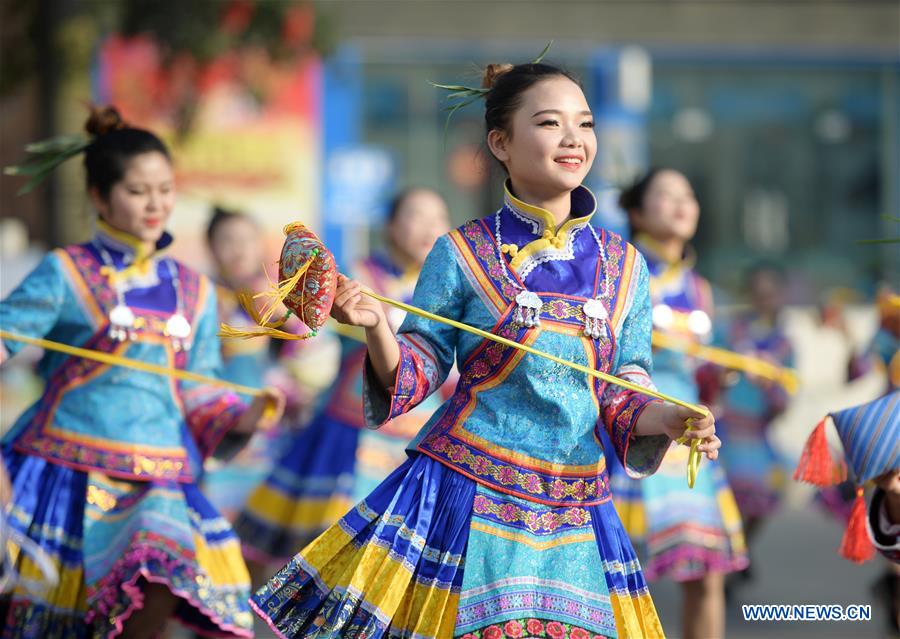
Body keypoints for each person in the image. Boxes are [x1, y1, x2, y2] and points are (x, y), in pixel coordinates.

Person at [250, 61, 721, 638]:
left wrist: (673, 416)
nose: (573, 139)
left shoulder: (626, 268)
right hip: (468, 493)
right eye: (550, 123)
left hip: (576, 504)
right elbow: (416, 373)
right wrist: (377, 328)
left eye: (585, 123)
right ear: (501, 142)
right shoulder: (460, 252)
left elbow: (625, 391)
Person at [0, 106, 284, 639]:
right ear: (100, 197)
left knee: (158, 586)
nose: (155, 204)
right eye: (137, 191)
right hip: (64, 467)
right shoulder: (66, 271)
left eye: (164, 189)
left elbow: (199, 388)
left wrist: (249, 413)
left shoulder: (193, 289)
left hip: (160, 476)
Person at [235, 188, 452, 568]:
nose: (430, 228)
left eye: (439, 218)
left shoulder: (447, 292)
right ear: (390, 225)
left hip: (419, 441)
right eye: (417, 216)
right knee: (331, 555)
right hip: (353, 434)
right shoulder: (358, 280)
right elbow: (304, 335)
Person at [610, 169, 747, 639]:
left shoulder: (702, 289)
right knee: (614, 579)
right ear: (636, 211)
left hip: (688, 439)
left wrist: (721, 375)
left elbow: (702, 377)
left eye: (687, 194)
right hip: (628, 433)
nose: (681, 203)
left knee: (707, 573)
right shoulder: (619, 274)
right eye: (665, 195)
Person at [714, 264, 793, 552]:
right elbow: (707, 373)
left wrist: (771, 384)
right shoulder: (730, 332)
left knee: (765, 498)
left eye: (770, 293)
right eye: (759, 293)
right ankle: (728, 559)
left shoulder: (783, 345)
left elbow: (784, 403)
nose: (764, 299)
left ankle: (739, 553)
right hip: (726, 430)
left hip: (757, 434)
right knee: (726, 501)